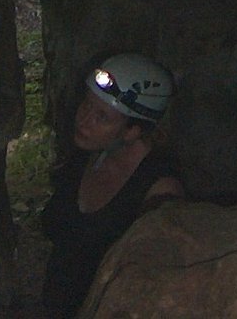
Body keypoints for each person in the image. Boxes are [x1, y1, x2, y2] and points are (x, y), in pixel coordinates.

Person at [40, 53, 184, 317]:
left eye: (102, 117)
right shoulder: (86, 158)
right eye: (86, 104)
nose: (83, 119)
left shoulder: (159, 192)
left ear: (132, 130)